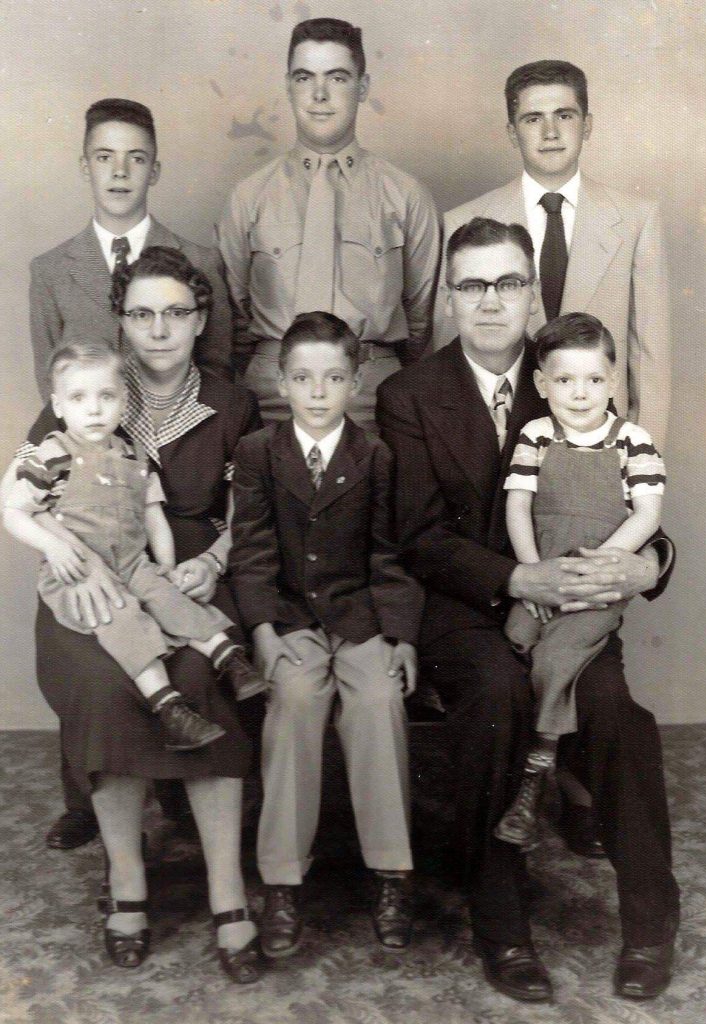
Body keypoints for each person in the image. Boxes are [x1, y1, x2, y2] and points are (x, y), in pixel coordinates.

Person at [377, 218, 679, 1003]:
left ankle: (652, 922)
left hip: (572, 607)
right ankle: (501, 924)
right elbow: (415, 536)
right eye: (471, 284)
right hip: (465, 606)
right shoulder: (410, 395)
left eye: (507, 282)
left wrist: (649, 563)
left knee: (614, 710)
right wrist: (519, 580)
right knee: (498, 698)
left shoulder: (570, 376)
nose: (489, 302)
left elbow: (634, 502)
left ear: (533, 290)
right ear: (449, 294)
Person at [5, 247, 265, 982]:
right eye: (141, 313)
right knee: (103, 686)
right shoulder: (82, 392)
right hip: (88, 586)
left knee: (203, 672)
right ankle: (127, 881)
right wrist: (67, 558)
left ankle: (225, 889)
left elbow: (249, 504)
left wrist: (211, 562)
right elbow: (29, 503)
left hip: (187, 581)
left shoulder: (231, 402)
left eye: (175, 312)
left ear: (200, 319)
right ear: (121, 320)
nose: (159, 329)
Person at [229, 311, 423, 958]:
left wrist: (400, 636)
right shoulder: (258, 452)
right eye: (304, 378)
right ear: (280, 382)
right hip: (288, 616)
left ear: (356, 382)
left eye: (334, 378)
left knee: (378, 701)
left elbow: (388, 556)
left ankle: (391, 872)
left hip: (359, 612)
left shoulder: (376, 456)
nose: (318, 393)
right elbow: (252, 552)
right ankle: (282, 881)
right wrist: (259, 627)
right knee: (295, 701)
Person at [4, 344, 265, 752]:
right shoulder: (52, 454)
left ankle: (227, 657)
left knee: (170, 597)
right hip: (77, 573)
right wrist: (54, 549)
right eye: (78, 398)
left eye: (106, 397)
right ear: (58, 406)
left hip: (132, 561)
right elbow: (15, 511)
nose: (93, 410)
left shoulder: (134, 455)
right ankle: (168, 706)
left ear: (124, 402)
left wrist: (165, 567)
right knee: (120, 616)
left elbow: (153, 517)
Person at [432, 61, 670, 454]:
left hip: (600, 441)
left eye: (564, 115)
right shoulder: (462, 221)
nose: (550, 132)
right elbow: (453, 355)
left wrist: (644, 463)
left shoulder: (636, 219)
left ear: (587, 124)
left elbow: (650, 359)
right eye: (532, 119)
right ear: (512, 132)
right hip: (499, 441)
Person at [493, 312, 666, 850]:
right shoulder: (535, 436)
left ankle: (535, 774)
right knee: (518, 639)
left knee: (556, 658)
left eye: (594, 379)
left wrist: (597, 566)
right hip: (545, 576)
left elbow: (647, 516)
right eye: (564, 380)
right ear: (542, 384)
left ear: (613, 382)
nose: (580, 392)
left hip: (595, 584)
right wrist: (536, 574)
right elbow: (518, 508)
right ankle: (564, 770)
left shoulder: (633, 441)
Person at [218, 17, 440, 430]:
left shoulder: (406, 195)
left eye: (337, 78)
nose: (319, 95)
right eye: (305, 78)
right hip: (273, 393)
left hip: (371, 393)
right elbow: (235, 319)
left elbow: (421, 320)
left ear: (363, 86)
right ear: (288, 86)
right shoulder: (249, 197)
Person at [30, 98, 233, 403]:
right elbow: (51, 386)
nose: (119, 171)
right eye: (104, 157)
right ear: (85, 167)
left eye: (136, 158)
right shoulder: (50, 270)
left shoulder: (200, 261)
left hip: (178, 441)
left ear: (154, 171)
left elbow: (217, 372)